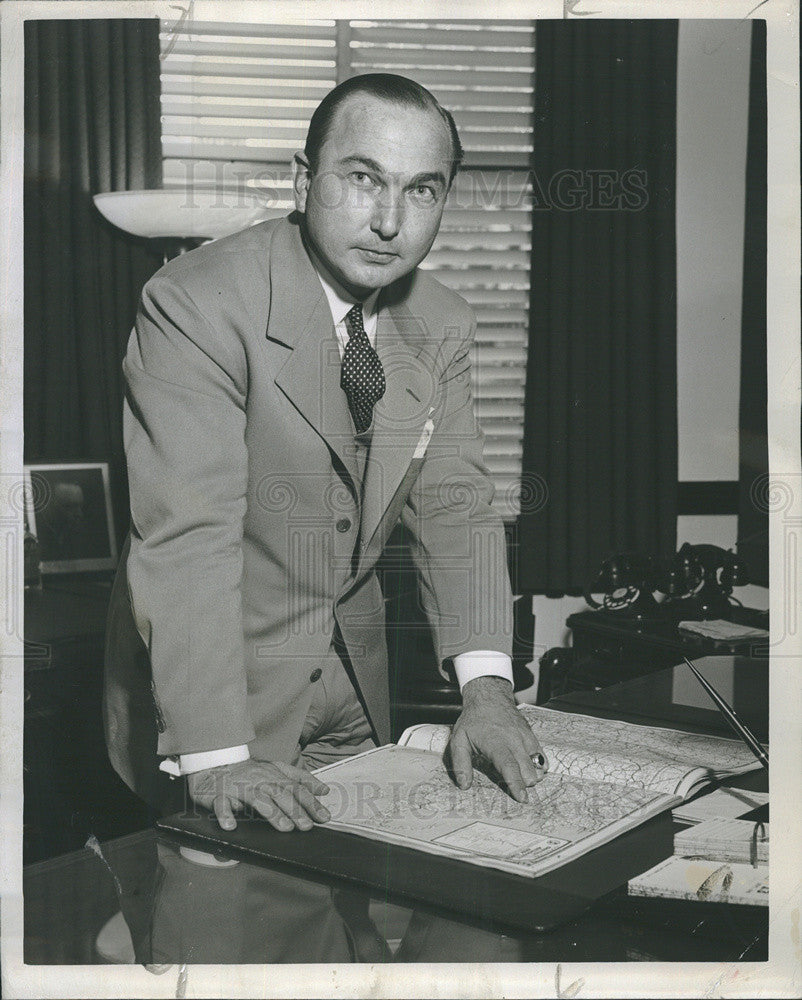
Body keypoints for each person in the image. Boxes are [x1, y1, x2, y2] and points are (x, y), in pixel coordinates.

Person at [103, 73, 547, 834]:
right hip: (215, 697)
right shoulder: (195, 302)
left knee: (344, 932)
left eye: (421, 191)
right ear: (305, 179)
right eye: (363, 179)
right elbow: (189, 537)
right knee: (223, 930)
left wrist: (488, 692)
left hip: (359, 689)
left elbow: (457, 509)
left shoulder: (443, 319)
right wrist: (216, 758)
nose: (388, 222)